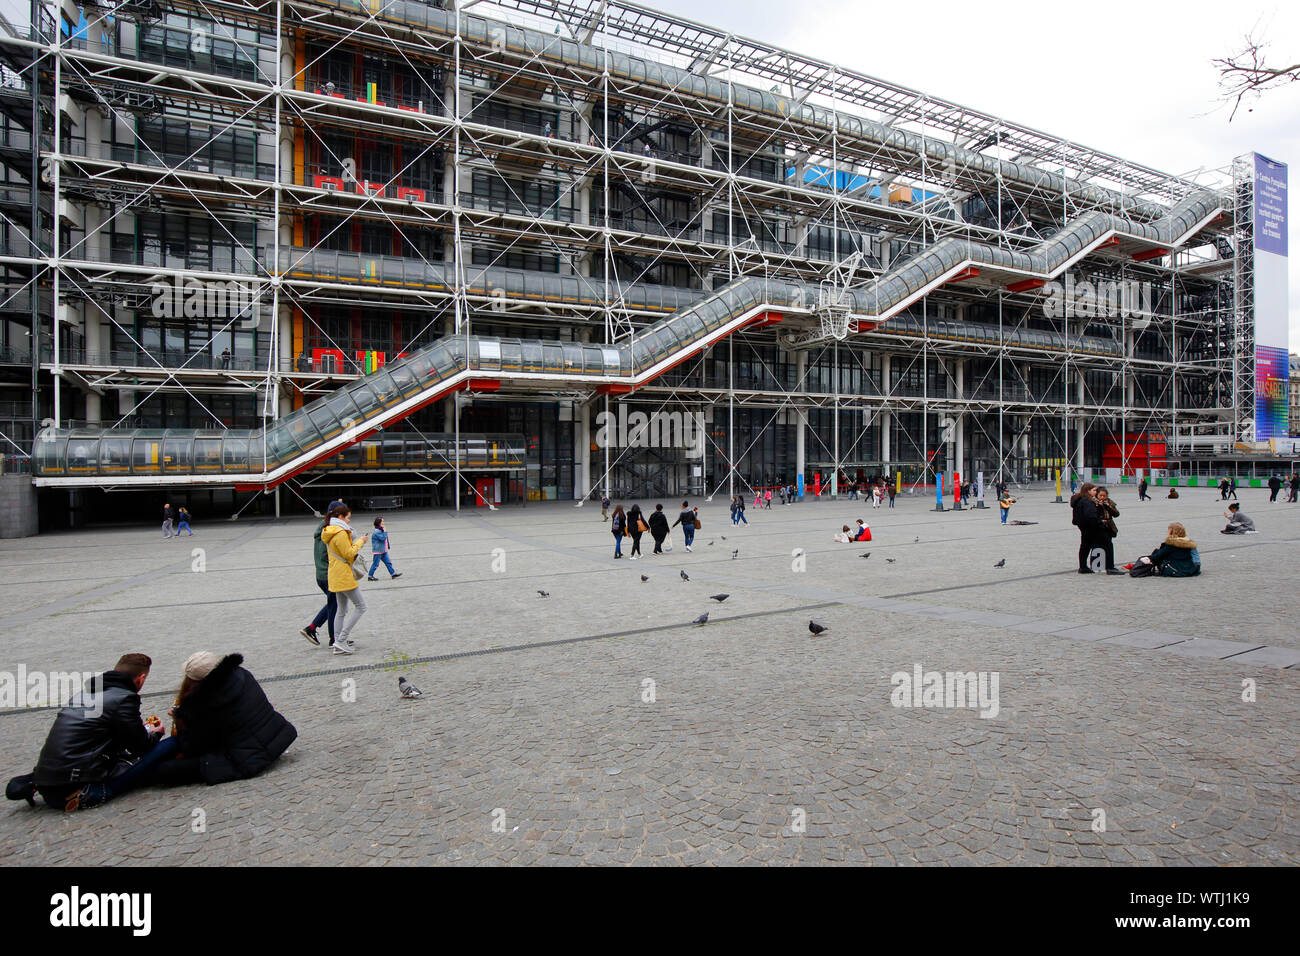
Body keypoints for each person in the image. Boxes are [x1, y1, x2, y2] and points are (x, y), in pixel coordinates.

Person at [9, 653, 168, 812]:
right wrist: (155, 733)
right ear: (141, 679)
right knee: (172, 743)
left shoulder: (83, 694)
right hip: (81, 791)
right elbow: (141, 746)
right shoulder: (125, 698)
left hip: (48, 785)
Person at [152, 651, 297, 789]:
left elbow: (194, 747)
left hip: (246, 758)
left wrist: (180, 721)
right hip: (275, 736)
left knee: (164, 770)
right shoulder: (241, 674)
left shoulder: (202, 703)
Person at [321, 504, 368, 655]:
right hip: (343, 575)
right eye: (348, 517)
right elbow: (349, 554)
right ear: (340, 517)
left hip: (335, 573)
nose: (349, 521)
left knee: (341, 610)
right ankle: (341, 640)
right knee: (361, 606)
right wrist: (360, 541)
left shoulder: (329, 530)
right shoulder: (340, 532)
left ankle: (337, 643)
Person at [301, 510, 337, 647]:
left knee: (333, 603)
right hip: (327, 575)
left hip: (321, 575)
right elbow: (327, 555)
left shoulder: (321, 530)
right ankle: (334, 638)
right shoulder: (326, 533)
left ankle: (313, 628)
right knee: (334, 605)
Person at [1131, 522, 1201, 577]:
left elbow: (1159, 555)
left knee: (1158, 552)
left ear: (1171, 532)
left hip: (1175, 569)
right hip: (1189, 568)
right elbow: (1195, 556)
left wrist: (1146, 558)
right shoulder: (1189, 543)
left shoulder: (1171, 544)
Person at [1070, 482, 1103, 574]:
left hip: (1082, 525)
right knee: (1087, 546)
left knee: (1084, 546)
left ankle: (1083, 565)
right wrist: (1099, 522)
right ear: (1088, 491)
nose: (1096, 492)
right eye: (1094, 490)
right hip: (1088, 526)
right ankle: (1086, 566)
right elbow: (1091, 516)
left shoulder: (1080, 500)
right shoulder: (1087, 501)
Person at [1094, 487, 1124, 574]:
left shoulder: (1109, 502)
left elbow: (1116, 514)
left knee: (1109, 545)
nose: (1102, 497)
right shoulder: (1094, 503)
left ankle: (1109, 565)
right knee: (1102, 546)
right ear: (1097, 495)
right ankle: (1103, 565)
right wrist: (1099, 506)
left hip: (1109, 526)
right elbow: (1094, 514)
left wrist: (1107, 506)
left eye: (1104, 496)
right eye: (1101, 495)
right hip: (1099, 526)